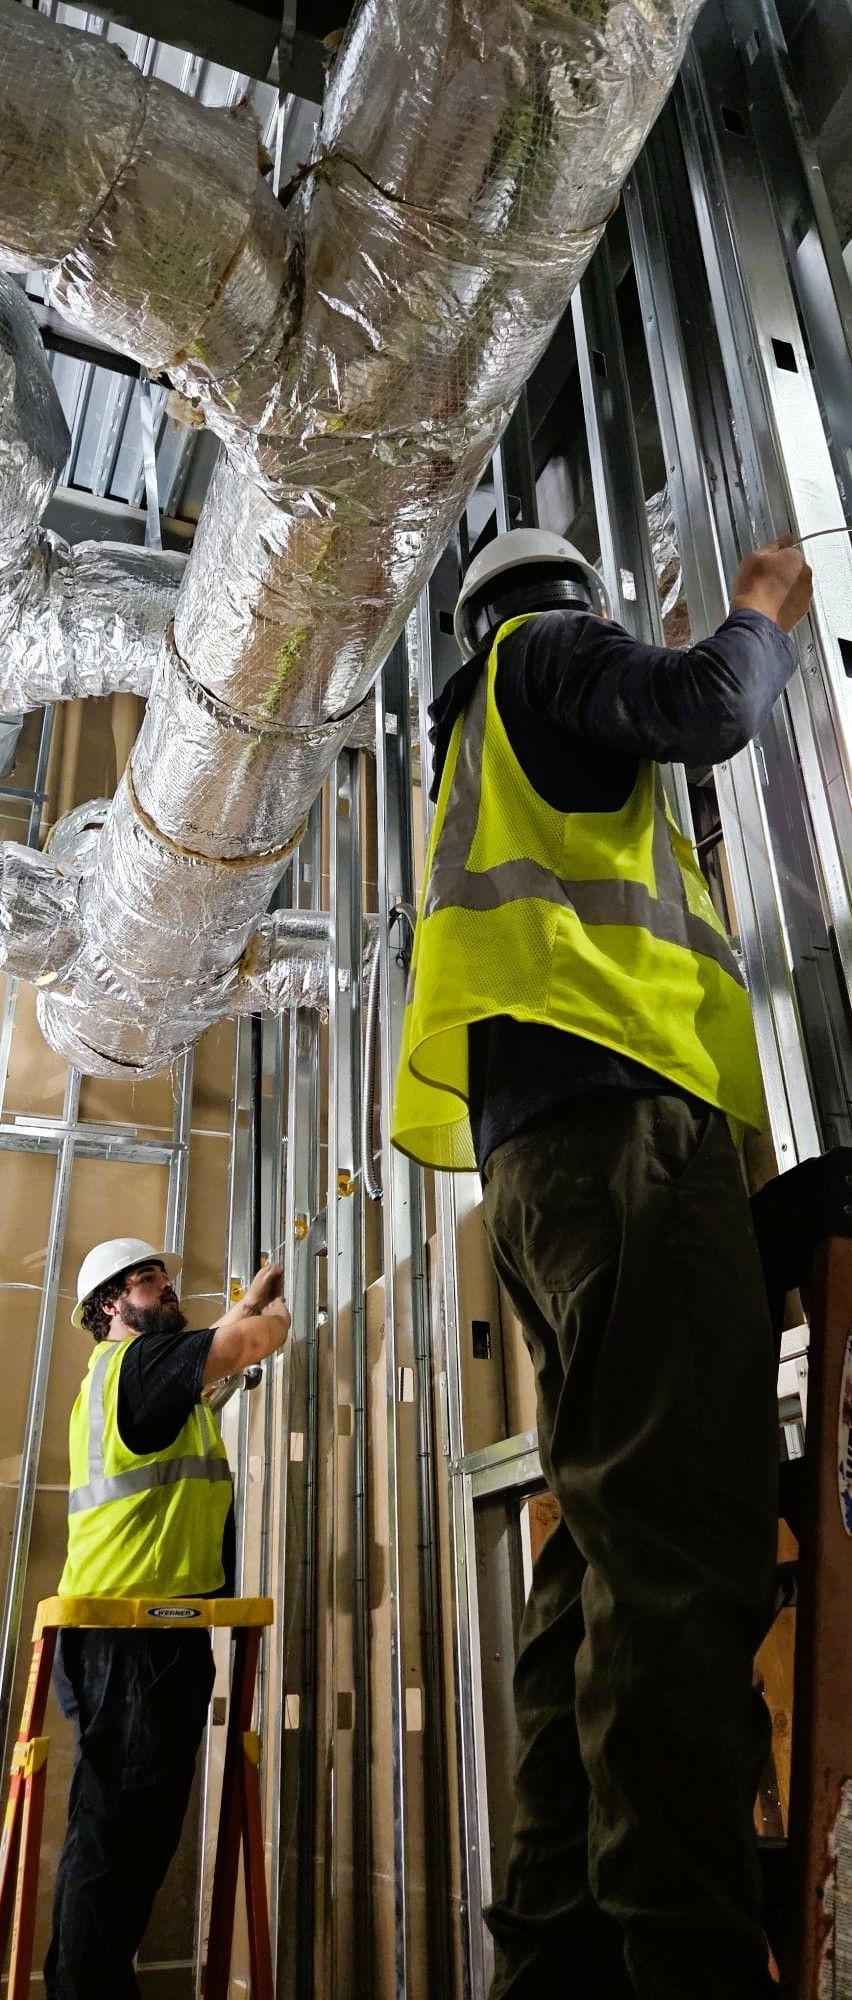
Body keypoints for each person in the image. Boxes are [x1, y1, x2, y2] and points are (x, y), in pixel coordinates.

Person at [392, 527, 813, 2000]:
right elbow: (709, 707)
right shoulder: (546, 656)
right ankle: (681, 1960)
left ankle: (560, 1956)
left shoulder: (491, 732)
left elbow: (651, 740)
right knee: (686, 1559)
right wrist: (756, 616)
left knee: (597, 1560)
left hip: (549, 1171)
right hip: (627, 1148)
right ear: (571, 599)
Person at [44, 1236, 289, 2000]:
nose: (167, 1292)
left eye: (166, 1280)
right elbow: (252, 1342)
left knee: (127, 1836)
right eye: (149, 1283)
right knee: (119, 1842)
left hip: (141, 1634)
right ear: (109, 1306)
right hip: (133, 1636)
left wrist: (246, 1300)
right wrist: (280, 1303)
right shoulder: (140, 1366)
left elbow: (212, 1364)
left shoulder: (131, 1382)